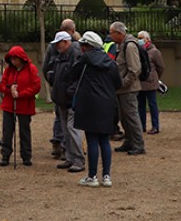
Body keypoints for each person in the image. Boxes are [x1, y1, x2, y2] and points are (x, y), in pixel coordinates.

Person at [70, 31, 122, 187]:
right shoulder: (111, 62)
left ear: (88, 46)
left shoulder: (84, 60)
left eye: (83, 45)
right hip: (107, 103)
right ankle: (106, 176)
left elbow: (73, 74)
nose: (81, 48)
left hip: (89, 103)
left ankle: (92, 176)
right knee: (104, 141)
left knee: (92, 139)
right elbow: (118, 83)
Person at [42, 18, 80, 159]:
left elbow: (46, 67)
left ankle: (67, 150)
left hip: (66, 91)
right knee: (64, 121)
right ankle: (66, 149)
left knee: (66, 122)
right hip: (63, 90)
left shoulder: (72, 49)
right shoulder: (67, 47)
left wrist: (55, 82)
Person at [0, 45, 41, 166]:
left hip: (24, 105)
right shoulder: (8, 70)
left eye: (15, 59)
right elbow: (2, 85)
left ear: (21, 58)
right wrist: (9, 89)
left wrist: (21, 94)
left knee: (24, 131)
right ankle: (5, 155)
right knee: (7, 131)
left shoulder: (31, 69)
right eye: (11, 59)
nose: (13, 62)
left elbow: (36, 86)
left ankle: (26, 156)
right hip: (9, 105)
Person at [50, 31, 85, 172]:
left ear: (66, 41)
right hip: (62, 100)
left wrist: (71, 91)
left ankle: (78, 160)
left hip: (71, 100)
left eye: (59, 43)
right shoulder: (62, 55)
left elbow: (79, 77)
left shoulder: (75, 54)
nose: (56, 46)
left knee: (73, 130)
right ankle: (70, 158)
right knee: (66, 131)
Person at [109, 21, 145, 155]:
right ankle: (129, 141)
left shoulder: (129, 46)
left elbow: (135, 69)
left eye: (111, 32)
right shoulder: (121, 45)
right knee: (124, 117)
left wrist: (123, 83)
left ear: (119, 33)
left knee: (131, 117)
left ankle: (138, 144)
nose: (110, 35)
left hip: (128, 89)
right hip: (122, 88)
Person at [137, 30, 165, 134]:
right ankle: (142, 125)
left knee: (152, 104)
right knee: (141, 105)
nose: (139, 40)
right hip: (140, 82)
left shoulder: (154, 51)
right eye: (138, 38)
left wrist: (155, 77)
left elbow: (161, 67)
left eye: (141, 38)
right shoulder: (138, 51)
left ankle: (155, 126)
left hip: (150, 82)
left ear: (148, 39)